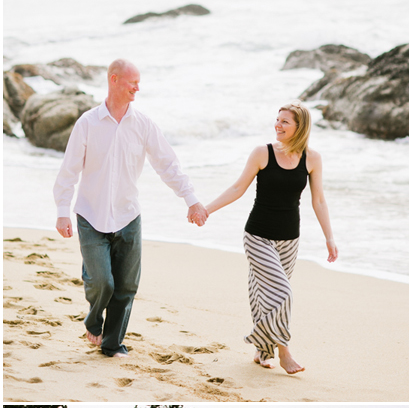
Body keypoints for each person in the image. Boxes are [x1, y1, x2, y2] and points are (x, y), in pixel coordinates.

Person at [53, 59, 207, 357]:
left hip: (128, 215)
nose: (138, 87)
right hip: (90, 215)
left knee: (126, 286)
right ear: (113, 80)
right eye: (132, 81)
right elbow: (69, 171)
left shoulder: (143, 124)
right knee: (102, 282)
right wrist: (62, 210)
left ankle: (112, 344)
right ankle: (94, 321)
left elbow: (167, 164)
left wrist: (191, 199)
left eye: (138, 82)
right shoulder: (87, 123)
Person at [204, 102, 337, 373]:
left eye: (285, 122)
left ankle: (261, 350)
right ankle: (284, 351)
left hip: (289, 239)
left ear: (300, 127)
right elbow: (237, 187)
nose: (278, 125)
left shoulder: (312, 158)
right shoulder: (262, 153)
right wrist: (206, 209)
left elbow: (319, 200)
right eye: (277, 120)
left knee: (263, 295)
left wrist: (329, 238)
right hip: (258, 235)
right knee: (283, 293)